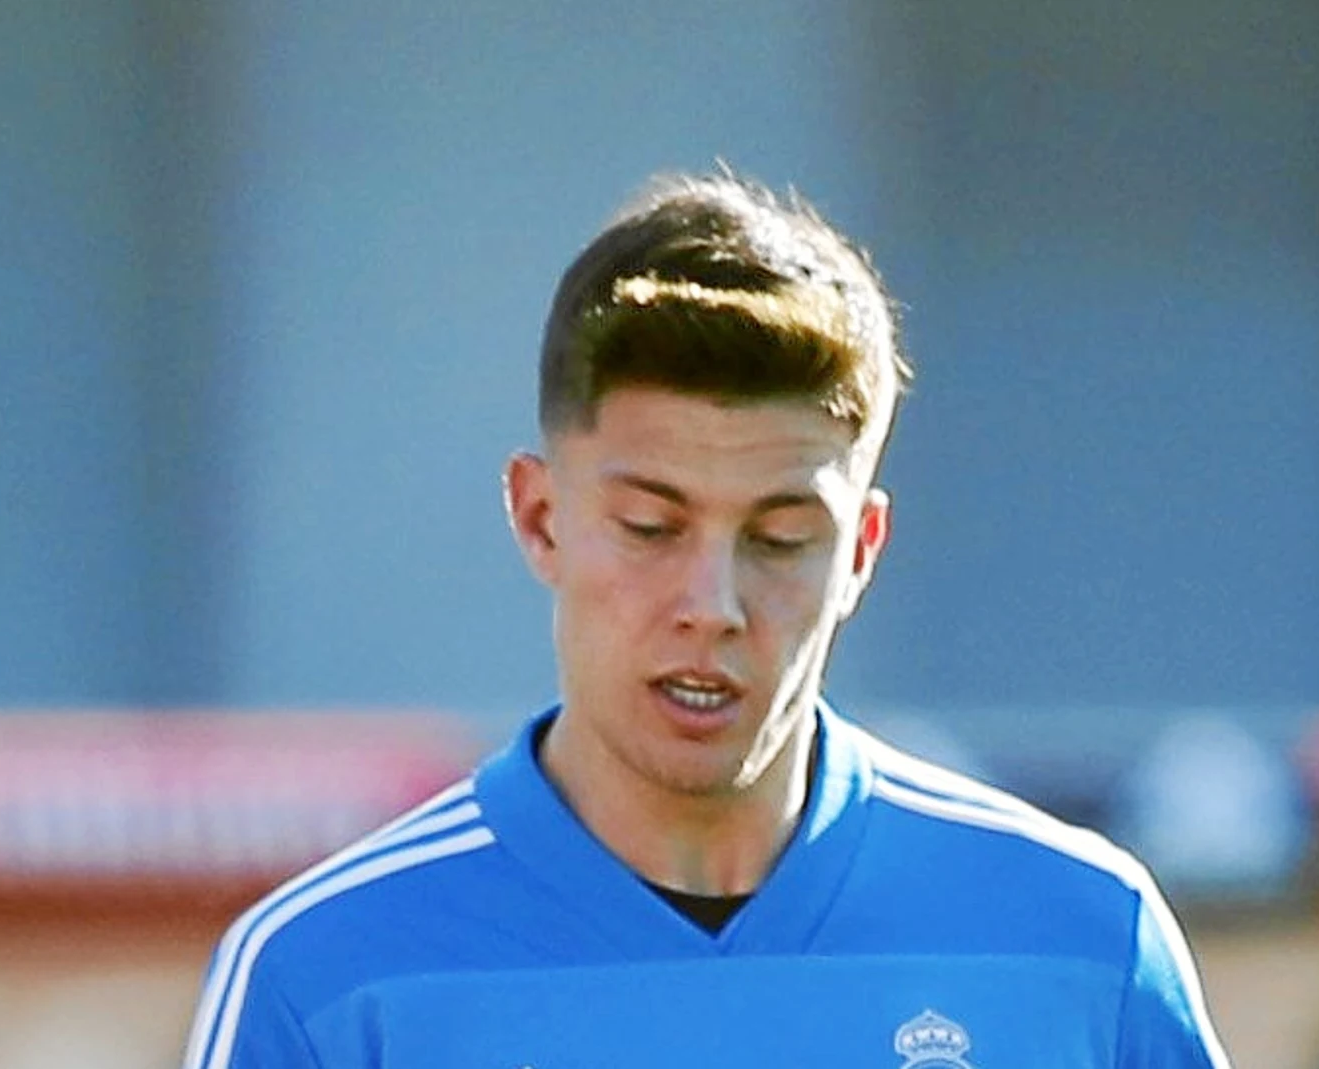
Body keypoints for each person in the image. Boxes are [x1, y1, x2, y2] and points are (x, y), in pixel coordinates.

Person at [180, 169, 1231, 1069]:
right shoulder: (329, 979)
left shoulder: (1083, 940)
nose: (711, 607)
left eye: (778, 540)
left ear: (860, 552)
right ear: (540, 518)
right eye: (649, 527)